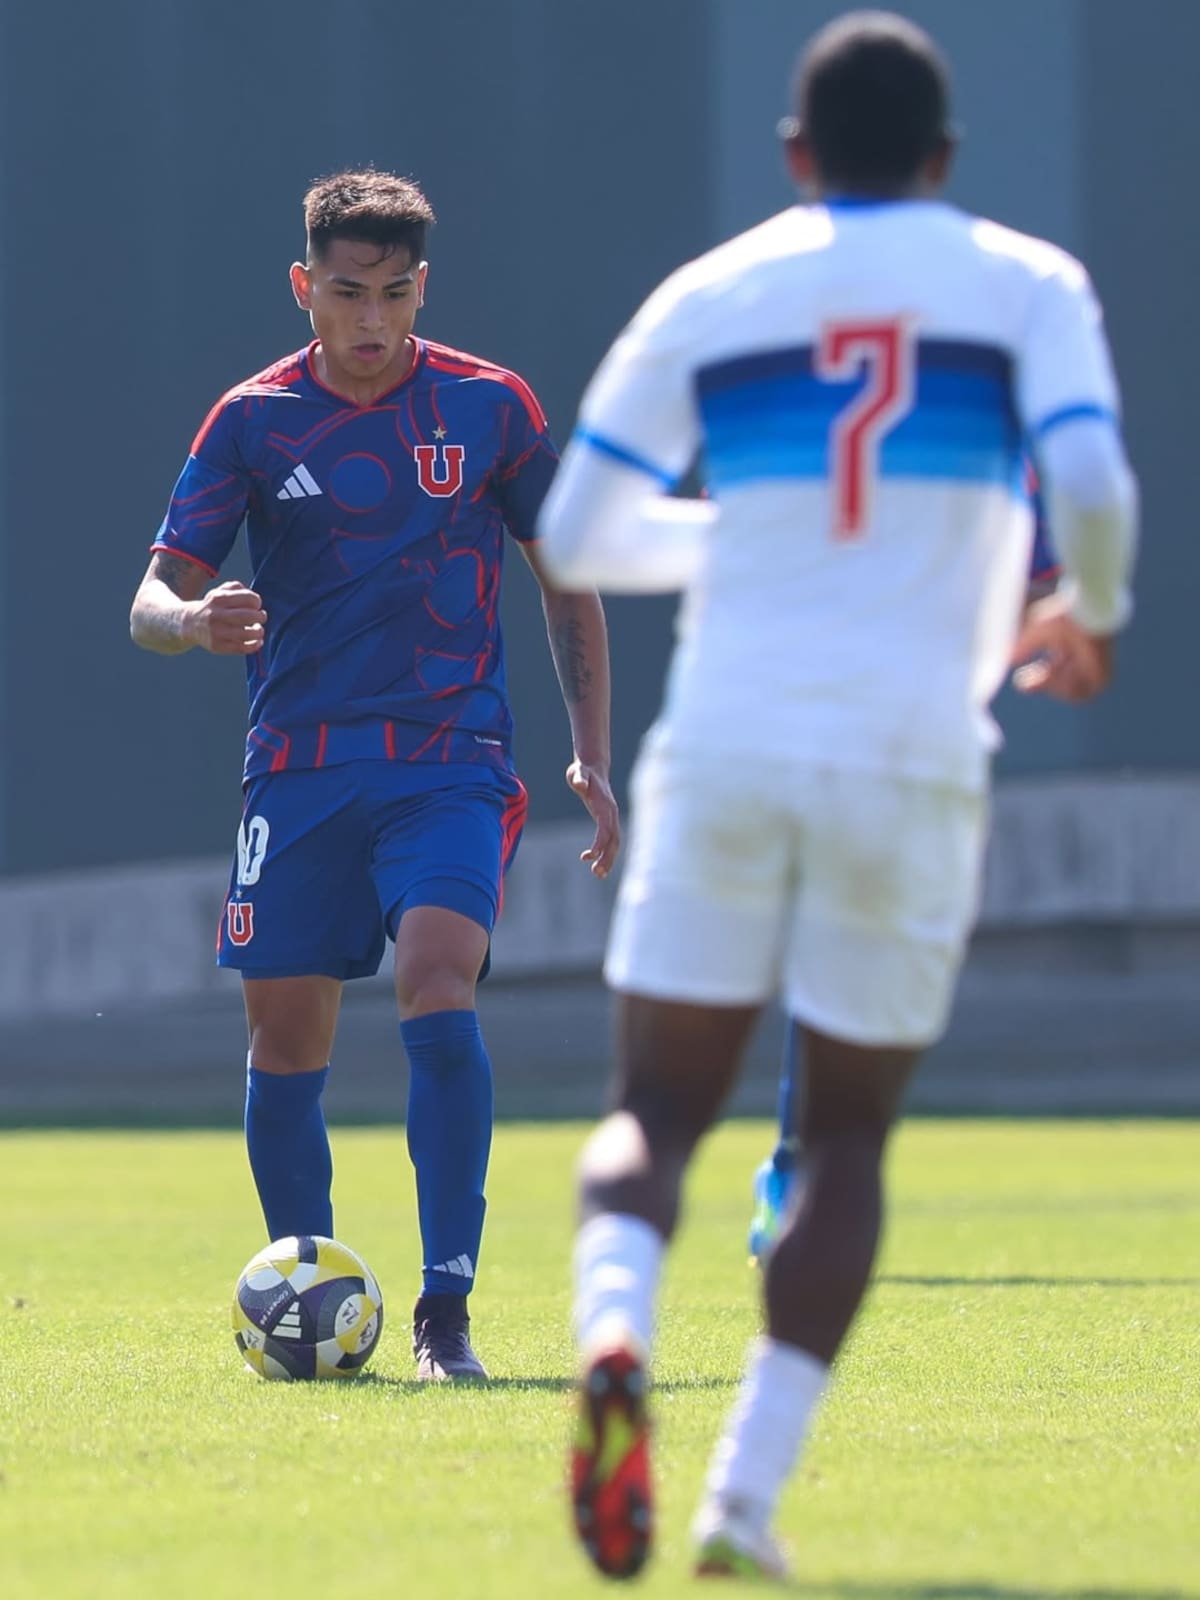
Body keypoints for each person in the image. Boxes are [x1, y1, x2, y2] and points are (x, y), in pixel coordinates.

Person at [539, 10, 1136, 1581]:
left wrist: (750, 536)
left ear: (795, 157)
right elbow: (1093, 489)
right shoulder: (1025, 284)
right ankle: (741, 1501)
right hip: (911, 754)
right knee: (847, 1145)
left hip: (730, 738)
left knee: (654, 1113)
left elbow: (584, 531)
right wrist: (1094, 612)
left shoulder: (715, 290)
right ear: (944, 159)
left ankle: (614, 1342)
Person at [130, 168, 618, 1383]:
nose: (371, 320)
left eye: (395, 294)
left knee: (440, 977)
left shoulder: (490, 407)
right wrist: (192, 625)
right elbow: (149, 598)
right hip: (297, 771)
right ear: (305, 287)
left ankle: (445, 1309)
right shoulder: (251, 420)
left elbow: (570, 578)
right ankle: (304, 1278)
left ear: (421, 290)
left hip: (449, 760)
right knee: (286, 1043)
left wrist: (592, 755)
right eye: (347, 292)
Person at [746, 485, 1063, 1266]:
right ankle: (799, 1172)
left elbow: (1040, 571)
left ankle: (807, 1163)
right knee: (831, 933)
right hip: (808, 710)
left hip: (926, 726)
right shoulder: (804, 405)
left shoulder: (981, 415)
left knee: (882, 948)